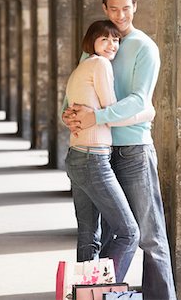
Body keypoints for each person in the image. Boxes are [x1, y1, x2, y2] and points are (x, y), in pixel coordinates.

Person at [63, 0, 177, 300]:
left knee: (150, 238)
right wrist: (68, 114)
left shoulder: (145, 48)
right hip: (100, 151)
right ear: (104, 8)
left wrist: (96, 117)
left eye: (126, 8)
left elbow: (141, 101)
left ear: (135, 6)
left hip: (134, 151)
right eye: (113, 9)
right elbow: (73, 93)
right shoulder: (98, 45)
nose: (120, 15)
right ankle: (100, 294)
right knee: (102, 232)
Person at [64, 19, 155, 283]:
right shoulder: (101, 64)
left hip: (76, 155)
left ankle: (84, 293)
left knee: (88, 235)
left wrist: (95, 116)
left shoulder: (81, 67)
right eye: (104, 39)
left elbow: (81, 111)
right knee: (129, 232)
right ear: (91, 41)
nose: (112, 44)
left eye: (115, 40)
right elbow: (110, 111)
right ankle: (103, 290)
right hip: (93, 159)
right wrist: (147, 111)